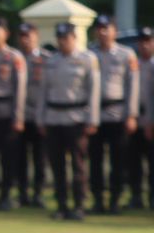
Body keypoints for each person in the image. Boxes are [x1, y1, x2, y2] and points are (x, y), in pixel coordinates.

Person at [39, 21, 99, 221]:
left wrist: (92, 118)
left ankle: (80, 205)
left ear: (74, 38)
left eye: (67, 38)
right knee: (57, 166)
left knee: (78, 165)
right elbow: (43, 92)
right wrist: (41, 118)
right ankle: (62, 205)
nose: (63, 42)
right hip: (55, 118)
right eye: (60, 38)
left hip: (77, 118)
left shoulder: (87, 59)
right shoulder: (52, 61)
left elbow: (93, 91)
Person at [87, 13, 139, 213]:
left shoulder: (126, 55)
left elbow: (132, 86)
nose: (102, 32)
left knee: (118, 159)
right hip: (95, 115)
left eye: (106, 28)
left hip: (117, 114)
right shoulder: (90, 54)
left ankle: (116, 199)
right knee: (95, 160)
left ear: (114, 31)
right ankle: (98, 199)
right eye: (99, 28)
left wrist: (131, 114)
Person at [0, 16, 27, 210]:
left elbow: (20, 89)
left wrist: (18, 117)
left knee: (8, 158)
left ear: (5, 34)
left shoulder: (14, 57)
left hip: (8, 112)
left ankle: (7, 195)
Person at [14, 22, 49, 207]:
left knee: (40, 158)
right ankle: (22, 193)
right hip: (20, 115)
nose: (25, 39)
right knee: (20, 158)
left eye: (28, 35)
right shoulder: (14, 58)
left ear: (36, 36)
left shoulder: (46, 59)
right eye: (22, 35)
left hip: (39, 115)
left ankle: (38, 194)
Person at [132, 26, 154, 210]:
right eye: (142, 41)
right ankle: (136, 196)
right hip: (135, 118)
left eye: (148, 41)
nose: (145, 45)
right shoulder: (134, 64)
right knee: (133, 161)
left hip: (151, 120)